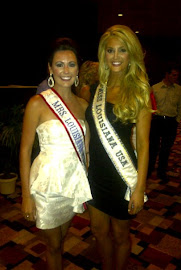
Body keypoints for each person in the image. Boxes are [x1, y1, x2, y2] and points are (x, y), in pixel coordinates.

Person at [19, 37, 92, 270]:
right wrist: (26, 196)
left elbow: (86, 149)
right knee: (52, 245)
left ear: (78, 69)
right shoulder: (37, 104)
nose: (65, 70)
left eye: (71, 64)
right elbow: (24, 150)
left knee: (61, 241)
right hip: (47, 186)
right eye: (59, 64)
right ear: (50, 68)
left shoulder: (83, 105)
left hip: (72, 184)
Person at [85, 25, 151, 270]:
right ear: (103, 54)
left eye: (122, 50)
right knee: (98, 231)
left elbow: (144, 146)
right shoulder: (93, 90)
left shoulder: (139, 92)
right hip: (96, 176)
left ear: (131, 54)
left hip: (122, 176)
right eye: (110, 50)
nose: (115, 56)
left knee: (122, 235)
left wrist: (139, 187)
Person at [148, 65, 181, 181]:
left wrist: (177, 120)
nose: (176, 77)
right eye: (173, 75)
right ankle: (149, 170)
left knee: (166, 148)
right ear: (167, 74)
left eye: (177, 75)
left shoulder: (179, 89)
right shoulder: (155, 88)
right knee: (153, 148)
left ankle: (161, 171)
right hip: (157, 121)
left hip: (170, 121)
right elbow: (148, 105)